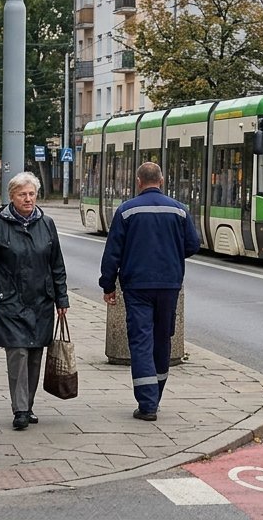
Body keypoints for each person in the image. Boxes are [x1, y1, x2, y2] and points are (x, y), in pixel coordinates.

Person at [0, 172, 68, 431]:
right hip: (9, 301)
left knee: (34, 355)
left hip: (41, 300)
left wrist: (62, 299)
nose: (28, 199)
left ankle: (28, 405)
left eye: (32, 194)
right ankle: (20, 409)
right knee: (18, 353)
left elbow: (57, 265)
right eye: (23, 194)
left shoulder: (47, 224)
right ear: (11, 197)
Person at [99, 162, 200, 422]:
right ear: (162, 180)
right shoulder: (179, 210)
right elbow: (192, 245)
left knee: (141, 341)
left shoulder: (126, 211)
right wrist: (171, 255)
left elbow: (113, 253)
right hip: (169, 285)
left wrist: (108, 285)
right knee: (162, 339)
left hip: (137, 287)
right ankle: (157, 393)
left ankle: (147, 404)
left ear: (138, 181)